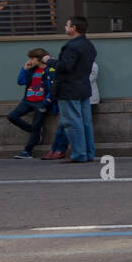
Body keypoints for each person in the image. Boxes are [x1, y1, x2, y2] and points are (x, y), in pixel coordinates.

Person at [41, 17, 97, 163]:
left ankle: (79, 154)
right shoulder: (89, 45)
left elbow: (65, 66)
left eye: (67, 25)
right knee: (85, 122)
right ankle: (88, 153)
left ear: (74, 28)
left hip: (68, 88)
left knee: (72, 122)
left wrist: (49, 60)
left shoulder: (72, 46)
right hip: (83, 87)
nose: (65, 27)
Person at [43, 60, 99, 161]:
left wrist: (50, 61)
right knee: (66, 125)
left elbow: (82, 79)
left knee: (71, 125)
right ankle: (57, 149)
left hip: (82, 98)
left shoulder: (91, 66)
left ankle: (63, 150)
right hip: (76, 97)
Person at [8, 48, 52, 159]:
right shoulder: (32, 70)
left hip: (41, 103)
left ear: (40, 59)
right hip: (27, 101)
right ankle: (34, 131)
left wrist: (46, 102)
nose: (31, 61)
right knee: (12, 116)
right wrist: (24, 69)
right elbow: (20, 81)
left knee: (36, 125)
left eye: (33, 58)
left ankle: (27, 152)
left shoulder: (50, 70)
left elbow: (53, 88)